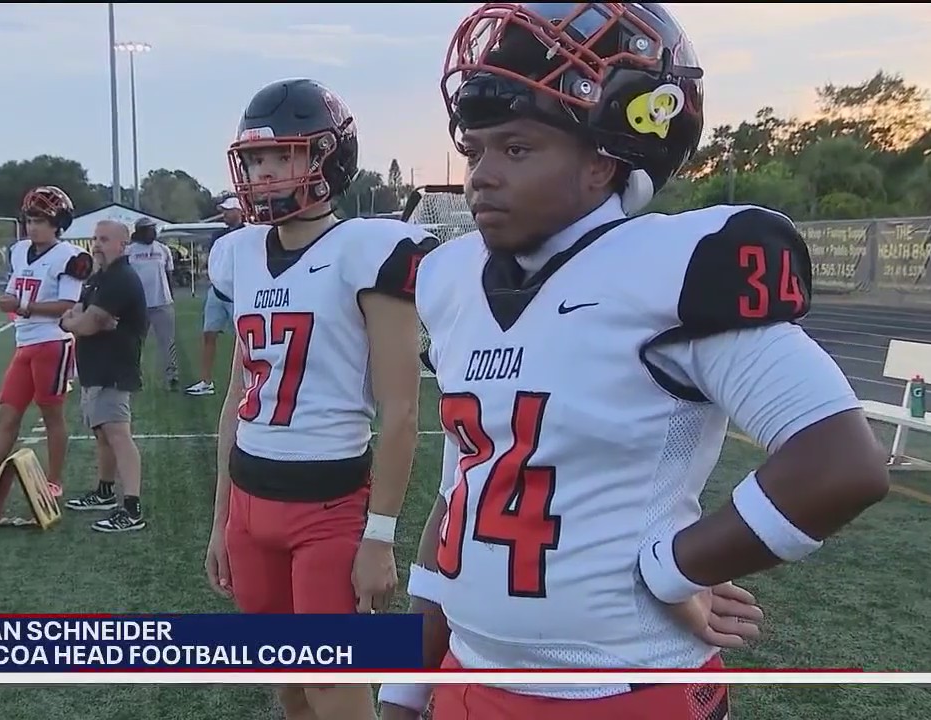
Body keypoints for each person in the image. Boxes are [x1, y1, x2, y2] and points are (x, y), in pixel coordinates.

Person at [379, 4, 891, 720]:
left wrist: (674, 568)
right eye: (477, 151)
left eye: (517, 149)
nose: (481, 177)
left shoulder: (671, 268)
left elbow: (842, 465)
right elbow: (460, 495)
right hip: (470, 678)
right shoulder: (451, 278)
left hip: (624, 690)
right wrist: (406, 685)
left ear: (603, 161)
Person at [202, 78, 438, 720]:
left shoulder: (367, 249)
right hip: (249, 500)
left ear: (328, 159)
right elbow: (237, 399)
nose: (263, 173)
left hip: (327, 506)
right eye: (254, 158)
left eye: (281, 156)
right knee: (285, 675)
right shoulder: (239, 253)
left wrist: (380, 536)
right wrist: (222, 519)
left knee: (332, 683)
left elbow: (402, 412)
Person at [0, 186, 90, 501]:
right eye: (30, 220)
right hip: (24, 342)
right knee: (7, 415)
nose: (32, 227)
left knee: (52, 416)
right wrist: (9, 300)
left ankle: (54, 481)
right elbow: (14, 289)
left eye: (41, 221)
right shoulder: (20, 250)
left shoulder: (71, 257)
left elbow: (67, 305)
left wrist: (23, 306)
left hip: (52, 342)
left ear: (58, 224)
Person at [61, 220, 150, 532]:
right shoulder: (100, 277)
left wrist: (76, 322)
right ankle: (104, 491)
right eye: (95, 238)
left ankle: (132, 509)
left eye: (104, 239)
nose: (96, 244)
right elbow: (78, 313)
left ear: (123, 244)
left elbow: (84, 323)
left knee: (118, 434)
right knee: (103, 433)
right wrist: (82, 319)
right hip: (96, 367)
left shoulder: (120, 278)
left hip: (114, 367)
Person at [184, 197, 246, 397]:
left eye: (228, 210)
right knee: (209, 334)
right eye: (224, 210)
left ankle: (247, 382)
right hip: (217, 292)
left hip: (239, 293)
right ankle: (206, 381)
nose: (224, 214)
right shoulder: (218, 235)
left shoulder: (249, 233)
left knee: (244, 341)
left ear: (239, 212)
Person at [126, 217, 180, 390]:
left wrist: (170, 297)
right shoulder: (129, 252)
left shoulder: (163, 250)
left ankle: (172, 377)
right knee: (136, 344)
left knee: (168, 343)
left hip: (162, 303)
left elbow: (169, 275)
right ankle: (135, 378)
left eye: (153, 229)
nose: (153, 232)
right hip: (137, 305)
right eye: (148, 229)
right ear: (140, 232)